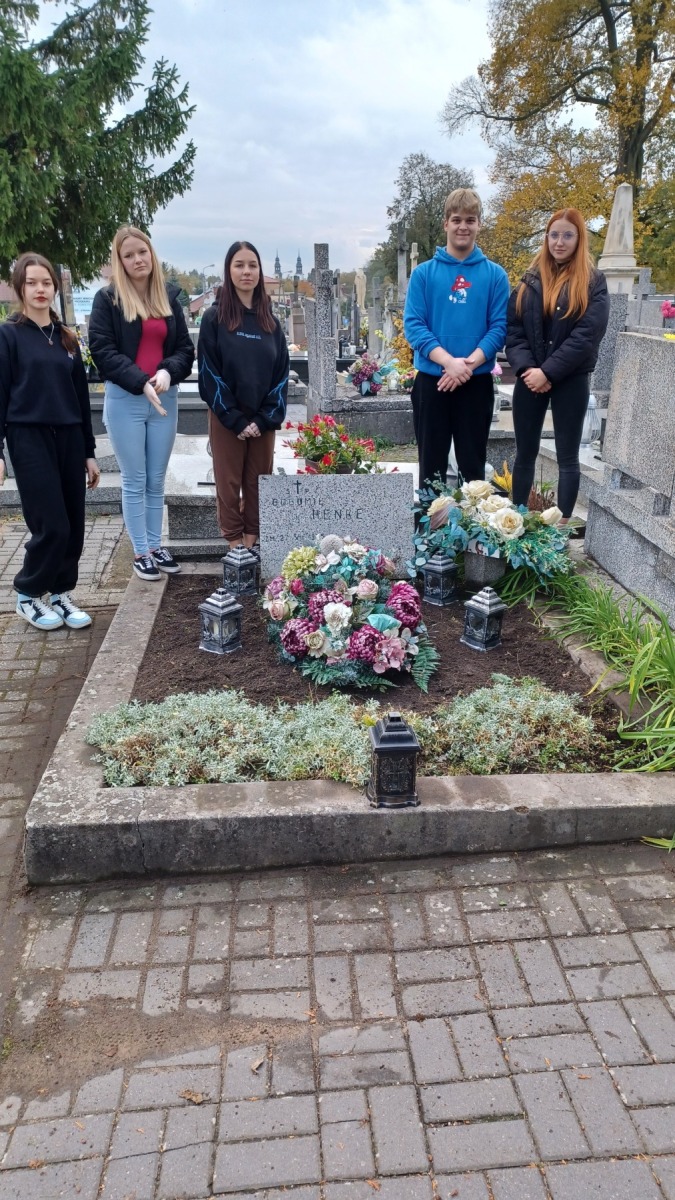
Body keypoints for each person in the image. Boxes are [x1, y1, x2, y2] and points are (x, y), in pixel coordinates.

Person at [88, 225, 194, 580]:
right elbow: (103, 352)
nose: (137, 259)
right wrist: (139, 382)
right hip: (126, 400)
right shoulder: (108, 300)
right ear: (119, 261)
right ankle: (141, 551)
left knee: (156, 479)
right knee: (135, 479)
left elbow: (184, 350)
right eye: (128, 255)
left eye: (142, 252)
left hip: (164, 400)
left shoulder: (168, 298)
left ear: (152, 254)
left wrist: (166, 372)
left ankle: (155, 544)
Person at [0, 253, 100, 631]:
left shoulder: (67, 338)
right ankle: (28, 594)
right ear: (20, 288)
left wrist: (89, 453)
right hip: (28, 436)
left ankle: (60, 592)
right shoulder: (8, 335)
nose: (40, 289)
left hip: (70, 437)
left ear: (55, 288)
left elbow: (81, 401)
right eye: (31, 283)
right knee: (52, 524)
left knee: (73, 524)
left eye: (46, 283)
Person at [506, 208, 609, 521]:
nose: (559, 242)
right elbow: (514, 330)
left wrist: (548, 372)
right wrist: (528, 370)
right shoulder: (529, 280)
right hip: (530, 377)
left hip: (570, 378)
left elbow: (586, 335)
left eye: (567, 235)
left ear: (579, 239)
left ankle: (562, 526)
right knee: (525, 453)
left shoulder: (592, 282)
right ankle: (516, 521)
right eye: (554, 235)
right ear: (546, 238)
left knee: (567, 456)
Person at [404, 188, 509, 488]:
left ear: (479, 225)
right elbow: (414, 326)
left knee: (473, 471)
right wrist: (449, 363)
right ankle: (430, 519)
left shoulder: (495, 275)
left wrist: (466, 366)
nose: (463, 226)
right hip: (432, 382)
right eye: (457, 220)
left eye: (470, 220)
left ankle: (471, 521)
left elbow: (498, 328)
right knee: (431, 471)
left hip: (475, 383)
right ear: (446, 224)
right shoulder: (424, 274)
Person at [198, 241, 289, 549]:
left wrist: (263, 419)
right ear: (229, 270)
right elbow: (209, 373)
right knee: (228, 483)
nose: (246, 271)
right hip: (227, 419)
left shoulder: (271, 324)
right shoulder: (214, 319)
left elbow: (280, 375)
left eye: (252, 265)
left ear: (260, 271)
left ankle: (251, 544)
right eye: (239, 265)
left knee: (258, 483)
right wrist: (234, 418)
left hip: (262, 421)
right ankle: (235, 547)